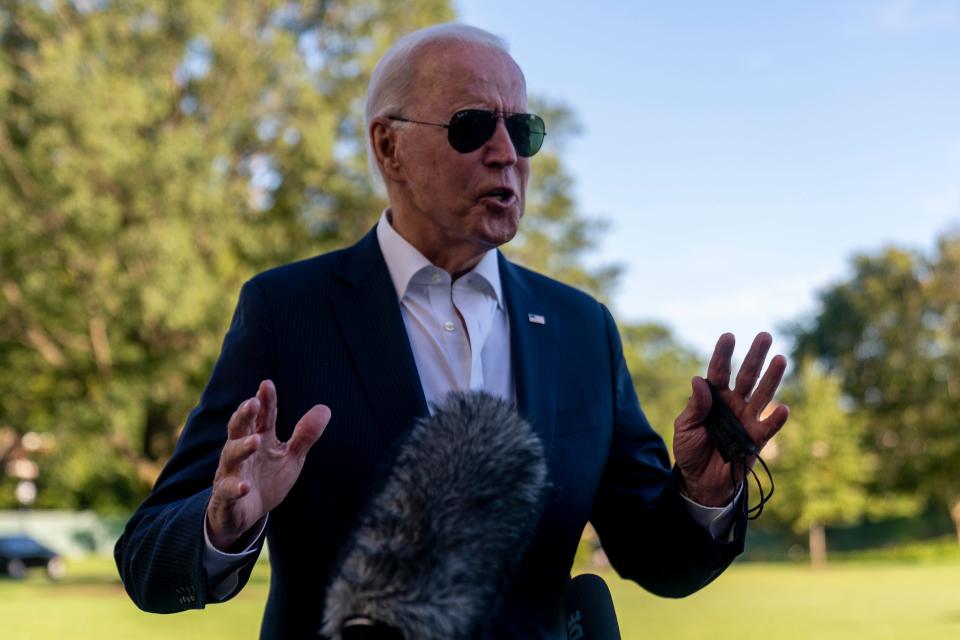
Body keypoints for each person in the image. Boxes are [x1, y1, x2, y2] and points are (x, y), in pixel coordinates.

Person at [115, 23, 789, 639]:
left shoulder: (583, 328)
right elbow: (149, 556)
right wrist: (222, 524)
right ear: (390, 147)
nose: (505, 154)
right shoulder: (287, 312)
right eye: (471, 126)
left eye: (521, 130)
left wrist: (703, 493)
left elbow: (657, 558)